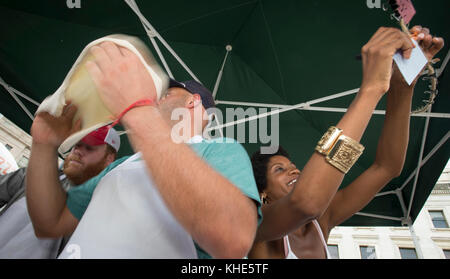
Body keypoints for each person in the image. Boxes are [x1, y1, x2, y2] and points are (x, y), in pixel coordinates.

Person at [27, 57, 262, 258]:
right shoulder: (124, 164)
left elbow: (234, 238)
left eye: (166, 93)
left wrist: (137, 111)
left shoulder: (220, 150)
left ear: (193, 101)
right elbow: (50, 222)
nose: (155, 99)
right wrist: (44, 146)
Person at [247, 26, 445, 259]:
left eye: (292, 165)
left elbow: (387, 167)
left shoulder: (323, 219)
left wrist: (402, 87)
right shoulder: (257, 224)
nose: (294, 170)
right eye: (279, 169)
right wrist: (371, 89)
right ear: (263, 194)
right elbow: (306, 203)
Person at [0, 125, 120, 258]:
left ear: (109, 159)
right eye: (77, 145)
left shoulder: (99, 212)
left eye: (89, 147)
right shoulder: (34, 175)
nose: (78, 151)